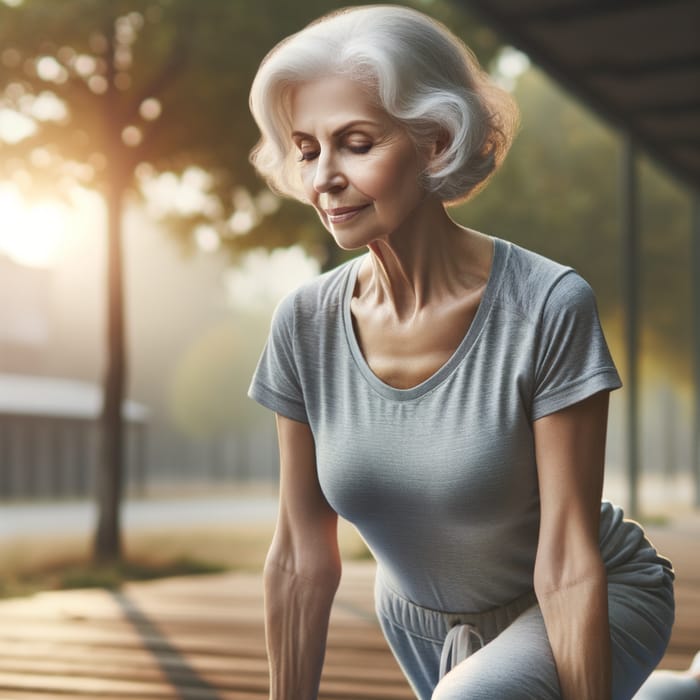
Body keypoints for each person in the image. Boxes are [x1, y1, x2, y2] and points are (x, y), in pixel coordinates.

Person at [246, 5, 675, 699]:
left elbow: (567, 560)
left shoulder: (548, 304)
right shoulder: (302, 323)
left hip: (591, 598)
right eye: (306, 148)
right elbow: (300, 556)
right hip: (420, 628)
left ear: (436, 141)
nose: (323, 176)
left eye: (356, 143)